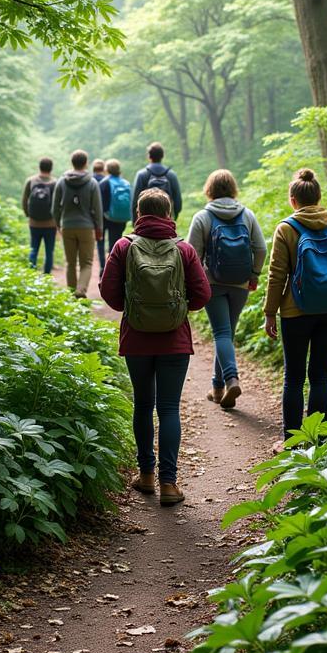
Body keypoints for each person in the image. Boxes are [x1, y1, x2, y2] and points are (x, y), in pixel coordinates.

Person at [100, 189, 211, 506]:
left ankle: (146, 476)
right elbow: (202, 296)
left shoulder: (124, 246)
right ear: (169, 214)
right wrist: (177, 308)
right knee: (169, 408)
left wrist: (134, 308)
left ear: (138, 214)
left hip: (136, 337)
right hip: (174, 339)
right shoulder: (184, 250)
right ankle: (169, 484)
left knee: (143, 404)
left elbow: (109, 293)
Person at [263, 168, 327, 451]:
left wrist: (270, 312)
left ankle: (293, 443)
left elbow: (276, 275)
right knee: (320, 375)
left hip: (296, 313)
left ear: (293, 199)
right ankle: (317, 440)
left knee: (294, 378)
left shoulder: (286, 229)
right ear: (319, 197)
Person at [187, 170, 266, 410]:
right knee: (227, 334)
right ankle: (217, 387)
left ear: (209, 189)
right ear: (233, 188)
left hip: (213, 283)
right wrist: (254, 275)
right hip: (241, 283)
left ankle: (231, 379)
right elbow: (261, 249)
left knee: (222, 334)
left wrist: (197, 283)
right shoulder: (247, 215)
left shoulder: (202, 217)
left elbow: (191, 255)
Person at [51, 149, 103, 299]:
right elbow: (97, 208)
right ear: (86, 163)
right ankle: (81, 291)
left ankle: (71, 294)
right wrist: (99, 228)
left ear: (72, 162)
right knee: (86, 262)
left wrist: (58, 224)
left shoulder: (61, 181)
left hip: (67, 225)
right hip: (87, 227)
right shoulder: (92, 182)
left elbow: (55, 207)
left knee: (70, 262)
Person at [21, 157, 56, 273]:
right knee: (49, 251)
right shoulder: (55, 183)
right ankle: (46, 276)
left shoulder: (31, 181)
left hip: (34, 222)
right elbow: (57, 203)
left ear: (39, 167)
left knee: (34, 248)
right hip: (51, 223)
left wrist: (28, 215)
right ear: (51, 168)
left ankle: (31, 274)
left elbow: (24, 200)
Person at [132, 142, 182, 222]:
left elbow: (135, 200)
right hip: (166, 218)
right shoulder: (171, 175)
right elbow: (177, 200)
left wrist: (135, 221)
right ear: (162, 156)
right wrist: (173, 217)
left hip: (146, 218)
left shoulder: (141, 175)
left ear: (149, 156)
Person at [100, 158, 132, 253]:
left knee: (101, 241)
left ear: (107, 170)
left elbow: (101, 202)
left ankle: (103, 265)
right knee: (115, 242)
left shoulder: (104, 182)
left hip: (107, 216)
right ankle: (115, 264)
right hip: (122, 216)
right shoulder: (126, 183)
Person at [92, 159, 108, 278]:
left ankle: (102, 267)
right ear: (103, 169)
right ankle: (110, 266)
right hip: (110, 215)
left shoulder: (91, 180)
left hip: (97, 216)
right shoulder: (107, 180)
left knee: (100, 242)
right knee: (113, 242)